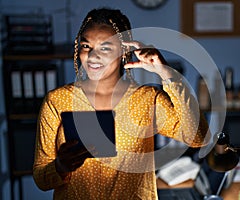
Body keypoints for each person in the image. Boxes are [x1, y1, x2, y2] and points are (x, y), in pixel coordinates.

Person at [33, 7, 210, 200]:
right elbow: (41, 179)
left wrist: (167, 73)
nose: (93, 56)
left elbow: (198, 138)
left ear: (124, 50)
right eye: (86, 46)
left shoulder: (146, 99)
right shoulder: (57, 101)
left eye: (106, 48)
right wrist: (60, 166)